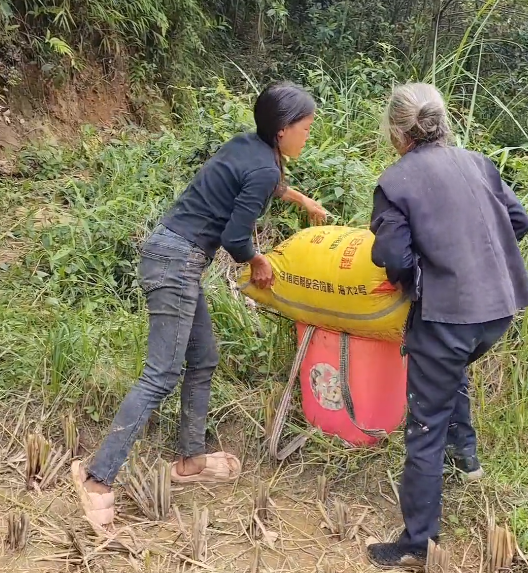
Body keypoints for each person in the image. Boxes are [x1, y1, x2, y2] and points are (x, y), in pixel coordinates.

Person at [71, 81, 327, 527]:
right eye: (306, 128)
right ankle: (97, 479)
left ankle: (190, 461)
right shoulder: (264, 166)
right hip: (176, 263)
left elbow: (261, 182)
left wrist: (302, 199)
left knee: (203, 359)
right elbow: (234, 238)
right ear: (283, 129)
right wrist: (258, 261)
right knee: (162, 373)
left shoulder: (251, 146)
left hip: (174, 255)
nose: (308, 136)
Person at [366, 82, 528, 569]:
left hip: (449, 316)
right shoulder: (478, 161)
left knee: (424, 423)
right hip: (499, 310)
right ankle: (468, 461)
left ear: (398, 132)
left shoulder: (396, 181)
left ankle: (418, 543)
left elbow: (390, 254)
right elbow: (517, 219)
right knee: (450, 369)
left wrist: (421, 272)